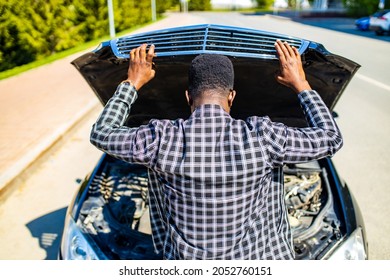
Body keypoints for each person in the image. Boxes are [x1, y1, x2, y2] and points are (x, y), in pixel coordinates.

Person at [90, 41, 343, 260]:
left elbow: (102, 133)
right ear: (231, 96)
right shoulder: (264, 137)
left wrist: (131, 83)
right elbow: (331, 138)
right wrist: (301, 84)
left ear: (188, 97)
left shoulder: (161, 139)